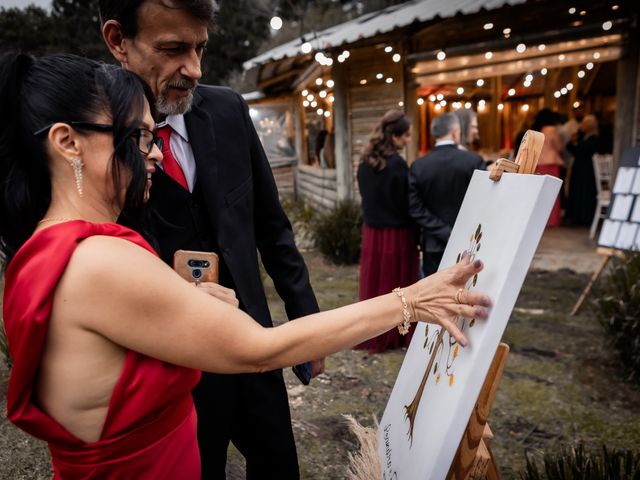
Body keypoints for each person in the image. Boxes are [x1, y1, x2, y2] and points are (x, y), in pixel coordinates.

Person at [0, 53, 491, 479]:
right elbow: (261, 349)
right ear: (68, 143)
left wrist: (178, 303)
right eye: (135, 138)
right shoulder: (99, 260)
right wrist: (409, 300)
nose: (152, 152)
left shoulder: (46, 252)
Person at [97, 1, 324, 477]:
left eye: (200, 47)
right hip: (172, 369)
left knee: (280, 464)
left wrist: (305, 320)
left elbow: (271, 225)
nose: (194, 68)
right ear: (118, 40)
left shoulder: (227, 109)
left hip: (255, 343)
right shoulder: (93, 137)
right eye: (174, 49)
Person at [354, 110, 419, 353]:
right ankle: (395, 333)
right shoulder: (398, 165)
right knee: (397, 285)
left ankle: (375, 330)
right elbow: (405, 203)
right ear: (394, 137)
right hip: (396, 232)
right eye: (406, 136)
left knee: (376, 283)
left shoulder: (365, 162)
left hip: (372, 230)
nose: (408, 140)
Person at [409, 112, 486, 277]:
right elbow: (484, 201)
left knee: (434, 295)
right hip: (469, 241)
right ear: (455, 132)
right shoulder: (474, 161)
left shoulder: (419, 166)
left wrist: (443, 231)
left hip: (433, 243)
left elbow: (415, 209)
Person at [530, 108, 565, 228]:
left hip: (538, 163)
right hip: (551, 163)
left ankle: (539, 219)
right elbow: (559, 146)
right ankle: (552, 220)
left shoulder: (535, 129)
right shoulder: (552, 129)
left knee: (540, 193)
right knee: (552, 193)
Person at [566, 115, 599, 226]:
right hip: (580, 169)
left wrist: (575, 143)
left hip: (587, 170)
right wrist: (573, 142)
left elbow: (582, 151)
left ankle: (584, 218)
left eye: (584, 124)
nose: (581, 126)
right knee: (578, 192)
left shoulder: (594, 139)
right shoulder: (583, 137)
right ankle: (577, 217)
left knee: (585, 193)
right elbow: (573, 150)